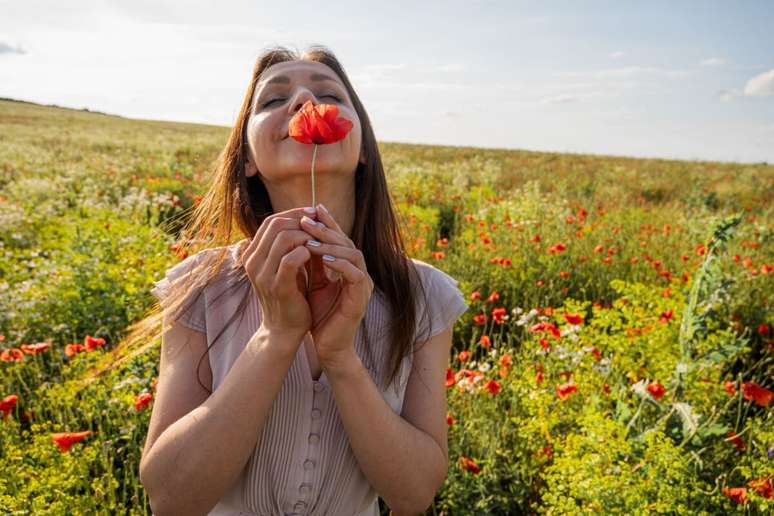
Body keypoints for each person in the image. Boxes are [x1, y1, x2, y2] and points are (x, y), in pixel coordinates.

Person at [137, 45, 469, 516]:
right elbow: (169, 499)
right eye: (273, 100)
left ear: (362, 151)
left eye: (329, 94)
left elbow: (413, 496)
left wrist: (341, 358)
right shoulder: (200, 287)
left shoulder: (425, 296)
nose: (304, 103)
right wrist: (275, 337)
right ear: (248, 159)